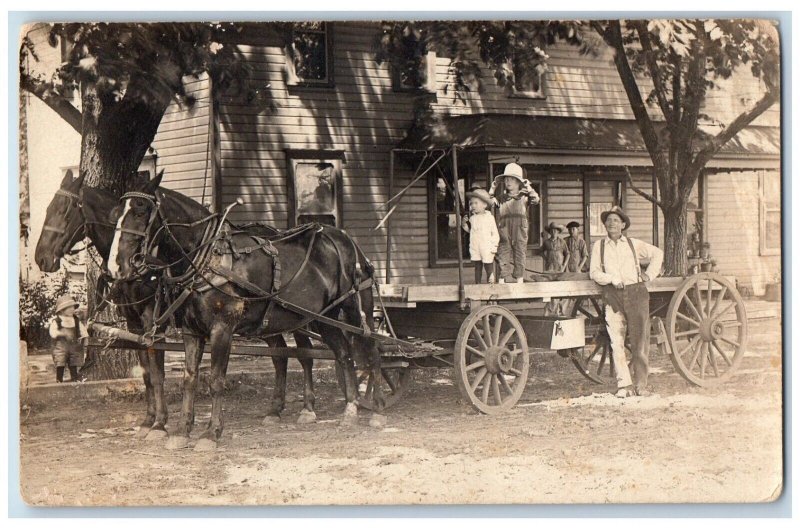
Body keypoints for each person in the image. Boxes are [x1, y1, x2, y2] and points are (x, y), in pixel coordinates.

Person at [589, 206, 663, 398]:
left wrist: (649, 275)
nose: (612, 223)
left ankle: (641, 384)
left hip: (636, 293)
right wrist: (612, 279)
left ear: (623, 225)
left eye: (616, 220)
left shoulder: (633, 244)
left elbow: (658, 254)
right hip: (613, 295)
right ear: (604, 224)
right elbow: (594, 272)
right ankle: (624, 385)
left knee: (640, 342)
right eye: (609, 220)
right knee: (616, 342)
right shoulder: (599, 246)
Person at [489, 163, 540, 283]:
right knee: (503, 251)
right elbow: (489, 203)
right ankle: (503, 278)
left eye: (512, 179)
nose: (508, 181)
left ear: (519, 182)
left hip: (520, 228)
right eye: (506, 179)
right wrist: (492, 188)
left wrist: (529, 188)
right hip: (504, 227)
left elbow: (536, 200)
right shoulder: (501, 198)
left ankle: (519, 279)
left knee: (520, 251)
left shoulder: (524, 197)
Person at [462, 187, 500, 284]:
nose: (473, 206)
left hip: (486, 247)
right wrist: (464, 224)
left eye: (476, 203)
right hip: (476, 247)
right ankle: (477, 286)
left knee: (488, 267)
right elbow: (471, 231)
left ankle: (491, 288)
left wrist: (494, 247)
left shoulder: (489, 218)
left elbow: (495, 234)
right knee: (477, 267)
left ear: (484, 204)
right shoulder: (473, 218)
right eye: (471, 203)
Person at [49, 295, 88, 383]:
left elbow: (83, 330)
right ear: (62, 310)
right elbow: (53, 332)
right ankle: (59, 379)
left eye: (73, 307)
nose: (72, 310)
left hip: (74, 346)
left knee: (73, 362)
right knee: (60, 362)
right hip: (61, 346)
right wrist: (61, 333)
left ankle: (74, 378)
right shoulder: (57, 321)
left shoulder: (76, 320)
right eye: (69, 308)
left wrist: (85, 338)